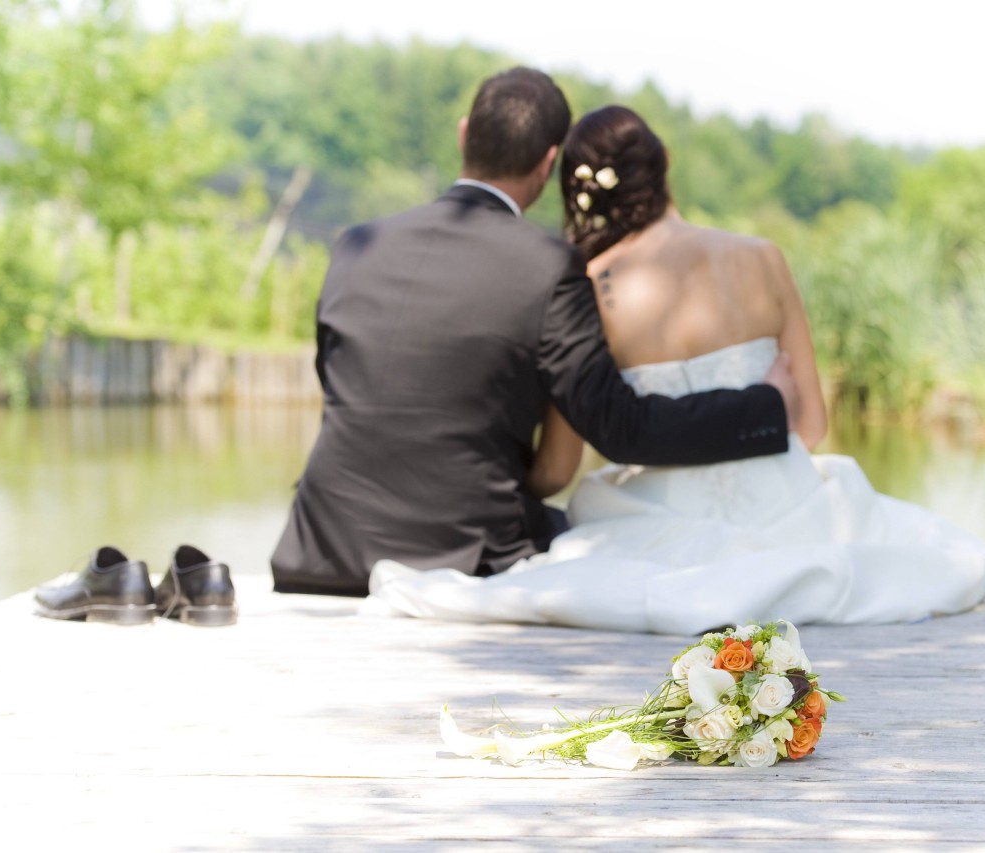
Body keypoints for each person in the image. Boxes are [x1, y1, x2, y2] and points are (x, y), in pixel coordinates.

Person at [369, 106, 985, 633]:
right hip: (788, 503)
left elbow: (559, 469)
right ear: (662, 160)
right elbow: (811, 425)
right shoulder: (763, 258)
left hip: (653, 517)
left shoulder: (590, 285)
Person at [270, 71, 798, 597]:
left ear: (462, 134)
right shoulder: (548, 267)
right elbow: (620, 427)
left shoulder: (355, 245)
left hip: (322, 547)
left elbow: (339, 384)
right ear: (549, 163)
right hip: (464, 553)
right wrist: (765, 404)